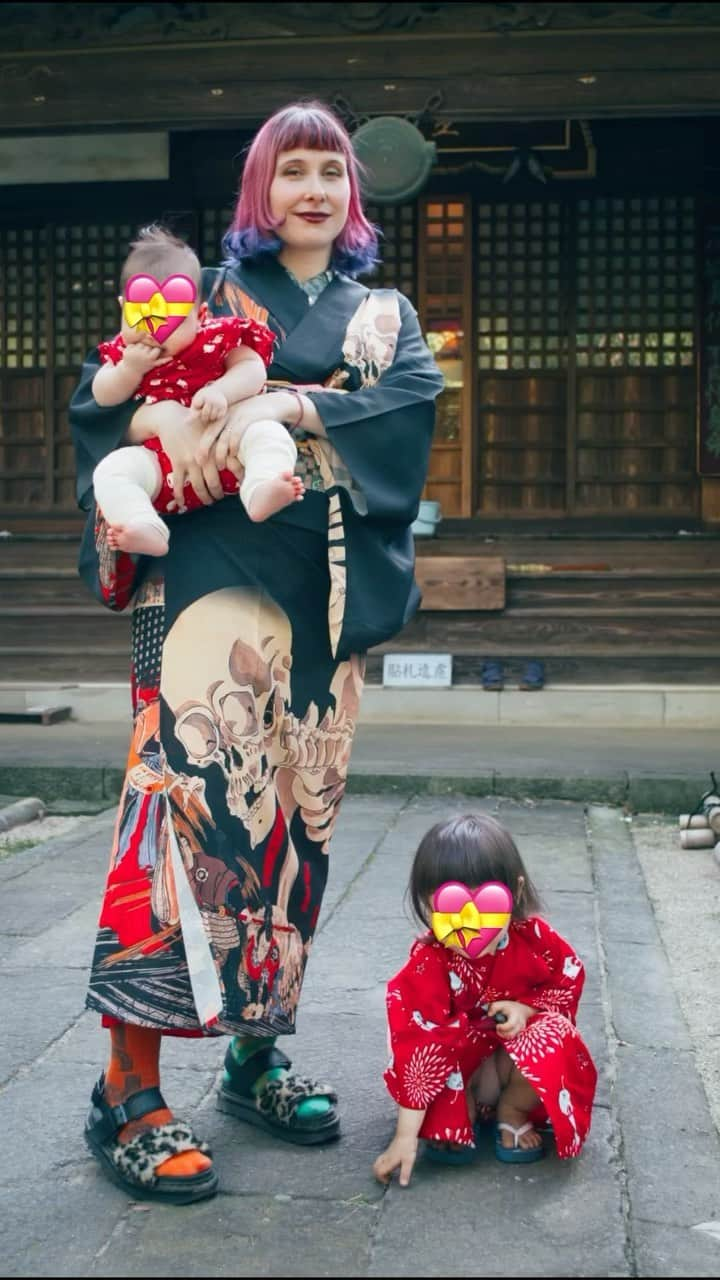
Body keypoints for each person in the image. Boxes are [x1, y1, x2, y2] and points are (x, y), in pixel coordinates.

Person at [70, 99, 444, 1204]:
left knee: (295, 839)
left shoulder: (385, 310)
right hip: (201, 595)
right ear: (258, 193)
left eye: (332, 171)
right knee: (173, 834)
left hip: (321, 612)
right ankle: (124, 1089)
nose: (315, 191)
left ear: (354, 195)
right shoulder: (209, 295)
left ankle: (252, 1056)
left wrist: (278, 397)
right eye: (292, 173)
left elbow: (409, 401)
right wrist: (162, 431)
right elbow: (112, 399)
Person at [372, 812, 597, 1189]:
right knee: (431, 1049)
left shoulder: (537, 940)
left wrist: (527, 1009)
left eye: (487, 905)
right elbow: (417, 1048)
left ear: (517, 891)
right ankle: (460, 1115)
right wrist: (404, 1136)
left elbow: (567, 980)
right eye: (450, 907)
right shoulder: (428, 961)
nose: (471, 924)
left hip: (512, 1066)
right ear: (428, 903)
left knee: (554, 1033)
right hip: (461, 1074)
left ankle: (513, 1107)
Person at [91, 224, 303, 557]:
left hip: (231, 449)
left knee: (268, 434)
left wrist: (222, 391)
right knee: (111, 470)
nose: (153, 330)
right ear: (123, 308)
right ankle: (144, 525)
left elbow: (253, 369)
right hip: (164, 466)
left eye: (170, 317)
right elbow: (103, 395)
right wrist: (129, 370)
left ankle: (262, 487)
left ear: (200, 315)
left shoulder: (215, 339)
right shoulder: (122, 355)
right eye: (140, 314)